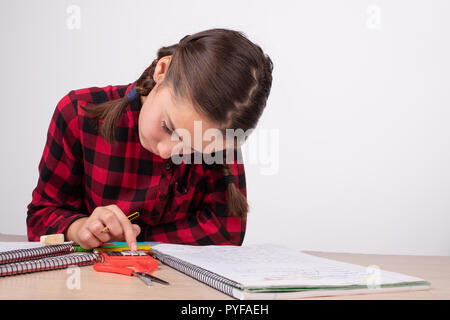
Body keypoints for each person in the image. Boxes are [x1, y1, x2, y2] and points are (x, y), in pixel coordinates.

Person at [27, 28, 273, 249]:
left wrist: (138, 237)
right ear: (162, 70)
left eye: (194, 149)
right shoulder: (77, 113)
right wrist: (79, 228)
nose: (168, 151)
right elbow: (40, 219)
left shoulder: (218, 134)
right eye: (168, 127)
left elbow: (226, 232)